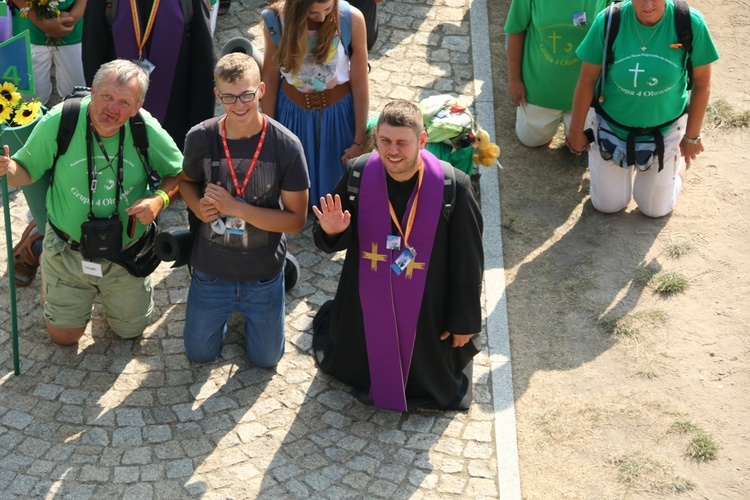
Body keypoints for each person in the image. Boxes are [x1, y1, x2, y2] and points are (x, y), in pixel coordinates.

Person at [311, 100, 484, 411]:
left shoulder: (453, 186)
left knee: (421, 371)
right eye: (385, 141)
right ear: (376, 137)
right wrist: (333, 231)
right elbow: (331, 241)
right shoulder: (358, 175)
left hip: (426, 305)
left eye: (402, 142)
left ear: (421, 141)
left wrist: (464, 320)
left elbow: (468, 260)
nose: (392, 151)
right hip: (364, 302)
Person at [0, 59, 183, 345]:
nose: (112, 108)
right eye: (107, 96)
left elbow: (181, 174)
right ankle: (42, 249)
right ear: (93, 91)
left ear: (138, 106)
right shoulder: (62, 120)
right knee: (64, 337)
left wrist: (159, 199)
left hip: (125, 253)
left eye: (124, 102)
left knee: (130, 332)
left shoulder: (144, 128)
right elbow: (24, 172)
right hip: (68, 248)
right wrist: (7, 168)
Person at [179, 53, 310, 366]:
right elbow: (185, 181)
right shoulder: (200, 137)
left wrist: (235, 207)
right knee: (199, 354)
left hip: (263, 273)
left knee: (267, 359)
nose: (238, 105)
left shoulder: (286, 145)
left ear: (261, 90)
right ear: (217, 95)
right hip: (211, 271)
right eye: (229, 97)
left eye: (247, 95)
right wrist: (198, 207)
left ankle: (283, 274)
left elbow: (296, 221)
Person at [566, 0, 719, 218]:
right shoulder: (609, 21)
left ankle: (676, 167)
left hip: (664, 130)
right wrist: (575, 130)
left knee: (655, 210)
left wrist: (692, 136)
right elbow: (586, 80)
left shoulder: (689, 23)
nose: (647, 4)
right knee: (607, 206)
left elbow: (703, 83)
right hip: (612, 127)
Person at [261, 0, 369, 205]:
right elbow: (270, 77)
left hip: (337, 117)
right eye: (312, 11)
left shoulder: (351, 19)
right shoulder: (274, 20)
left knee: (337, 198)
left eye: (328, 9)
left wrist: (359, 140)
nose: (321, 17)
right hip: (293, 115)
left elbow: (360, 82)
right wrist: (269, 132)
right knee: (296, 195)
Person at [81, 0, 215, 150]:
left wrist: (201, 130)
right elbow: (93, 53)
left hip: (176, 111)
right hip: (117, 115)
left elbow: (203, 61)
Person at [504, 0, 614, 147]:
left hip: (587, 96)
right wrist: (514, 80)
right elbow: (516, 30)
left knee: (584, 148)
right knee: (530, 141)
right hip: (540, 90)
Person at [9, 0, 87, 105]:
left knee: (77, 95)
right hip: (29, 25)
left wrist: (72, 17)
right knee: (31, 100)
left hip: (75, 27)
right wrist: (41, 22)